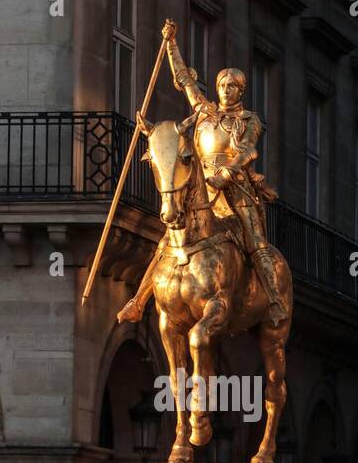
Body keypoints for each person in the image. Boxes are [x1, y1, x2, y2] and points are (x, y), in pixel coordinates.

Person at [117, 18, 287, 327]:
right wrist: (170, 44)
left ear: (241, 90)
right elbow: (184, 81)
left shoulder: (250, 120)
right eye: (222, 85)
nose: (225, 90)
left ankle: (275, 299)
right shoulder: (205, 112)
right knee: (169, 239)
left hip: (235, 186)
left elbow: (250, 151)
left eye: (232, 86)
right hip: (201, 182)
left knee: (256, 241)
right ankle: (139, 300)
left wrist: (227, 173)